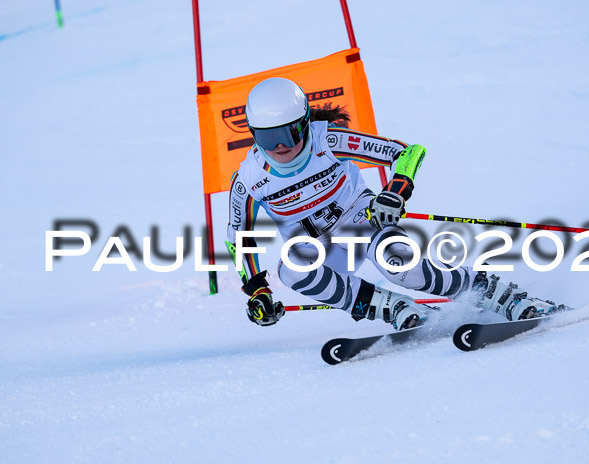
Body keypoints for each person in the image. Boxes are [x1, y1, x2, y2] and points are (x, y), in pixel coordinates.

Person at [226, 77, 566, 329]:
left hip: (363, 220)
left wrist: (394, 193)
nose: (280, 146)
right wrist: (257, 290)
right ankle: (389, 307)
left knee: (400, 264)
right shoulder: (248, 179)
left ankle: (497, 295)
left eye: (289, 134)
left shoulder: (326, 140)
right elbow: (237, 239)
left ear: (304, 123)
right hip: (319, 247)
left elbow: (406, 153)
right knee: (292, 270)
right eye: (267, 137)